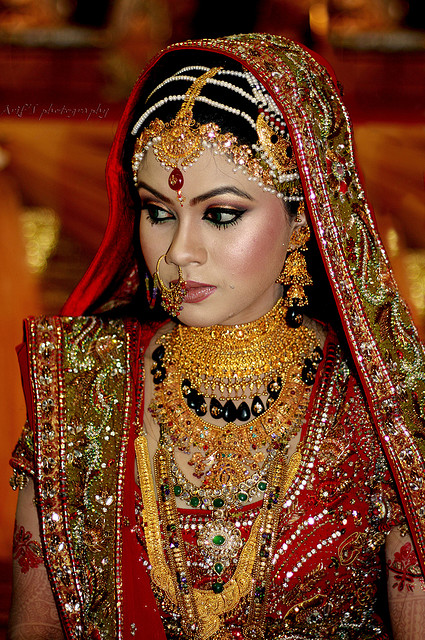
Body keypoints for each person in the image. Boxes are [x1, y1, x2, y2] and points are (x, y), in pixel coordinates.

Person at [8, 33, 425, 640]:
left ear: (306, 216)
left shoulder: (382, 407)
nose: (180, 252)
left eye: (221, 214)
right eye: (158, 211)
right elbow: (37, 624)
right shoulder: (80, 389)